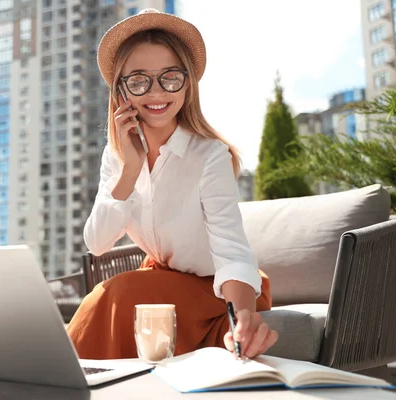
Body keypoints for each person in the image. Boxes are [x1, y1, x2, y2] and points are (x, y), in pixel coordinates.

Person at [66, 9, 278, 360]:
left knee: (119, 294)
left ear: (187, 83)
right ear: (121, 92)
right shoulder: (116, 157)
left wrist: (244, 316)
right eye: (138, 80)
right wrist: (130, 170)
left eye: (170, 77)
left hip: (218, 292)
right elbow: (97, 243)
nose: (156, 92)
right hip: (158, 286)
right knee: (121, 294)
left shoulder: (210, 155)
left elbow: (232, 248)